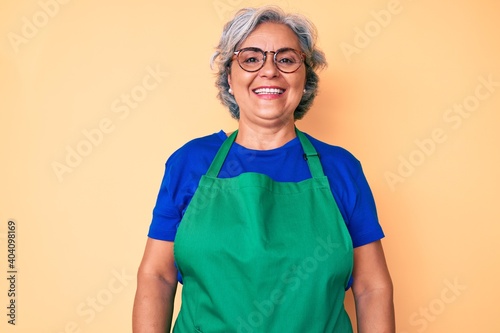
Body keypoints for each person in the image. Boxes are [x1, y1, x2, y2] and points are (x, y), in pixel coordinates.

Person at [133, 6, 394, 333]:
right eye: (251, 58)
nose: (269, 70)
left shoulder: (341, 169)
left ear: (304, 77)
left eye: (286, 59)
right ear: (230, 77)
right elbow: (157, 276)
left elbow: (372, 287)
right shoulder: (188, 164)